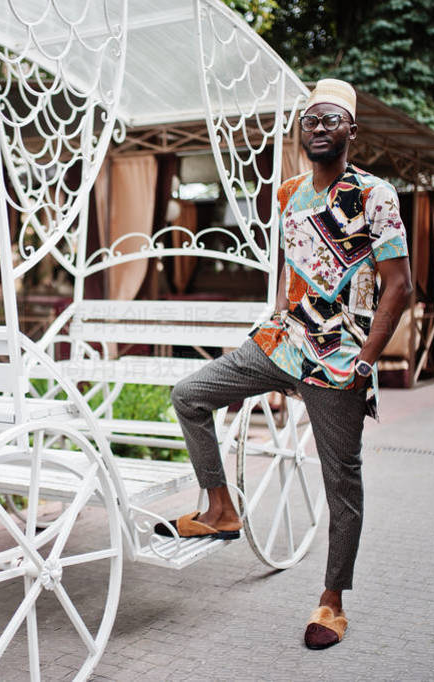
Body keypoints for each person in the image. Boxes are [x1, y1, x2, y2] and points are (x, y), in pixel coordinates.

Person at [163, 79, 413, 649]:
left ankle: (331, 600)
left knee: (340, 483)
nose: (319, 128)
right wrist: (277, 315)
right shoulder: (288, 194)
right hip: (284, 341)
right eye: (310, 121)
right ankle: (221, 507)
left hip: (340, 357)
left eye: (331, 120)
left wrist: (365, 361)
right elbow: (289, 268)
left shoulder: (375, 195)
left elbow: (400, 287)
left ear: (351, 130)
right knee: (190, 394)